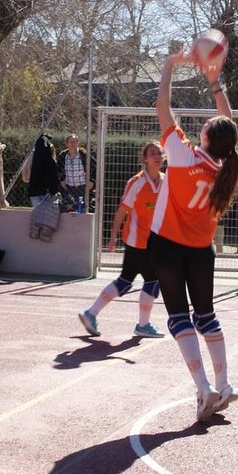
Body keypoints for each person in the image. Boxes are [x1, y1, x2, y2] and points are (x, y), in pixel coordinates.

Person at [151, 49, 238, 422]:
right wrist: (214, 81)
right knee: (206, 314)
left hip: (169, 244)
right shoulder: (225, 167)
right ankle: (224, 385)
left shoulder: (182, 153)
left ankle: (203, 388)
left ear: (205, 135)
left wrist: (171, 64)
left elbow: (161, 104)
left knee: (178, 318)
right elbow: (229, 123)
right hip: (202, 250)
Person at [79, 141, 166, 339]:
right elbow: (122, 211)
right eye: (152, 153)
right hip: (138, 241)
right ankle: (143, 325)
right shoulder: (137, 182)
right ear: (145, 158)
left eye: (159, 153)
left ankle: (90, 313)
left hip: (154, 242)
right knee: (152, 281)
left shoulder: (165, 181)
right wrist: (112, 237)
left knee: (125, 281)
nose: (157, 156)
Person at [58, 134, 94, 212]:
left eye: (75, 142)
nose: (73, 144)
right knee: (69, 212)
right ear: (67, 144)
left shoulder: (84, 155)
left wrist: (92, 182)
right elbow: (58, 170)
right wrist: (61, 181)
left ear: (78, 143)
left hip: (83, 187)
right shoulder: (63, 156)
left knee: (82, 211)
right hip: (68, 188)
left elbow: (94, 168)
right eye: (70, 142)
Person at [26, 133, 61, 208]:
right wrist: (54, 190)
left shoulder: (34, 160)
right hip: (47, 192)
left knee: (38, 213)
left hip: (35, 192)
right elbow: (54, 178)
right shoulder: (51, 162)